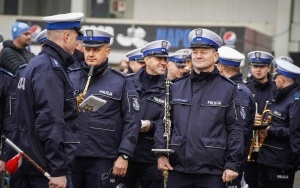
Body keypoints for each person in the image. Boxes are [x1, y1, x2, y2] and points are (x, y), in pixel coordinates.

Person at [154, 28, 244, 188]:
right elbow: (164, 122)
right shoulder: (176, 86)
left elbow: (235, 129)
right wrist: (161, 154)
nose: (198, 56)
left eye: (204, 52)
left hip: (212, 172)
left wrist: (232, 164)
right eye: (195, 52)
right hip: (178, 168)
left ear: (215, 56)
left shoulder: (229, 89)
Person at [10, 12, 84, 188]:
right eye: (76, 38)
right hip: (45, 168)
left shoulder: (36, 64)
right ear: (66, 37)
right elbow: (50, 122)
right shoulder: (49, 69)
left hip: (30, 160)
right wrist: (58, 170)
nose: (77, 44)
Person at [68, 28, 140, 188]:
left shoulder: (121, 81)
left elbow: (132, 121)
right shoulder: (70, 76)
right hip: (71, 155)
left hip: (103, 158)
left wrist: (124, 155)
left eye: (96, 50)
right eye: (87, 49)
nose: (91, 54)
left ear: (107, 51)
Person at [119, 40, 171, 188]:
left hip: (152, 157)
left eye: (165, 59)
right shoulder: (126, 82)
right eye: (158, 59)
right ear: (147, 60)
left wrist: (151, 126)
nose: (163, 63)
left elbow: (169, 122)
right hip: (125, 153)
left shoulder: (169, 89)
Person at [257, 59, 300, 188]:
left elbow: (295, 132)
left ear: (282, 80)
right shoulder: (280, 96)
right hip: (267, 159)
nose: (274, 82)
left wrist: (269, 130)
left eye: (276, 78)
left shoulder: (296, 101)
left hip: (281, 163)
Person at [217, 46, 255, 188]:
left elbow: (239, 131)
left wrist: (233, 164)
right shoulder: (239, 89)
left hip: (228, 164)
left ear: (220, 67)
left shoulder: (237, 91)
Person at [244, 50, 275, 188]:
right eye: (255, 66)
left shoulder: (277, 89)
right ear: (250, 67)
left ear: (269, 67)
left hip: (271, 145)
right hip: (250, 146)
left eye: (262, 66)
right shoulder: (244, 88)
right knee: (251, 182)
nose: (258, 69)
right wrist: (250, 117)